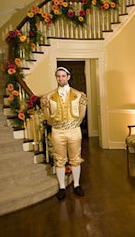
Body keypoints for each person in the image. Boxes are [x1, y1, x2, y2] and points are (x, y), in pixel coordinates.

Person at [41, 66, 88, 200]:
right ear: (56, 78)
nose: (61, 78)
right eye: (58, 76)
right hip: (57, 131)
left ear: (68, 77)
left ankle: (77, 185)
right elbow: (47, 116)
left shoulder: (79, 95)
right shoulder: (48, 97)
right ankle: (62, 187)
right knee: (59, 159)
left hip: (74, 130)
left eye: (63, 76)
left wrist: (73, 124)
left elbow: (82, 114)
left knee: (75, 158)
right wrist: (56, 124)